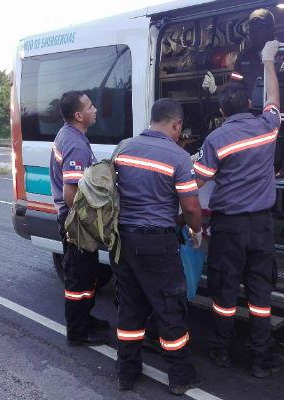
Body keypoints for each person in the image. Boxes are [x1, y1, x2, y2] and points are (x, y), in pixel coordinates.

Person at [194, 40, 284, 378]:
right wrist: (268, 61)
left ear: (221, 113)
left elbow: (198, 183)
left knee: (224, 291)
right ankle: (261, 357)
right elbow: (274, 99)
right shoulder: (266, 127)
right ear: (249, 104)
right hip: (261, 226)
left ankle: (220, 351)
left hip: (228, 228)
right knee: (260, 294)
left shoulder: (215, 141)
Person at [112, 98, 203, 395]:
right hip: (157, 245)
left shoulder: (124, 148)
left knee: (130, 309)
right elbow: (190, 208)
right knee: (169, 309)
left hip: (123, 240)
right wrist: (196, 230)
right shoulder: (178, 157)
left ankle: (126, 373)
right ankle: (180, 377)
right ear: (176, 124)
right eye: (180, 128)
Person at [49, 90, 110, 347]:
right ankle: (78, 332)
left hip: (75, 222)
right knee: (78, 280)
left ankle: (85, 319)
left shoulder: (70, 135)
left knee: (87, 275)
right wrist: (89, 225)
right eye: (90, 106)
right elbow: (70, 193)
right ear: (79, 115)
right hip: (77, 224)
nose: (94, 109)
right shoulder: (75, 143)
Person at [202, 8, 277, 114]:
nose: (253, 35)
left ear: (271, 30)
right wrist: (215, 88)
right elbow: (235, 84)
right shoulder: (244, 56)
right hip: (251, 116)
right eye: (251, 31)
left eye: (257, 30)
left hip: (278, 115)